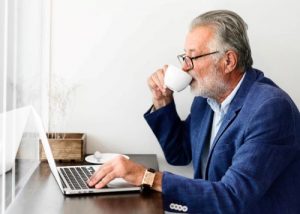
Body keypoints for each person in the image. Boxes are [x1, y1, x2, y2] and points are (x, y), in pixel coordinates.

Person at [88, 10, 300, 213]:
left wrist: (146, 177)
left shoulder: (270, 109)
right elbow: (179, 155)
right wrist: (162, 102)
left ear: (228, 61)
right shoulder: (205, 101)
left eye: (193, 58)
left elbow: (233, 197)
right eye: (184, 57)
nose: (185, 68)